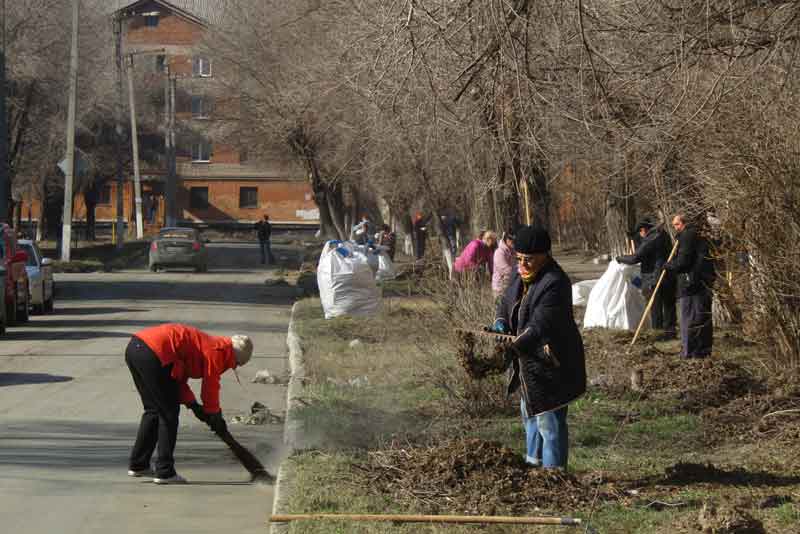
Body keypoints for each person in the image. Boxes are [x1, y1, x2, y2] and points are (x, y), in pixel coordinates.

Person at [490, 226, 586, 469]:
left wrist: (512, 346)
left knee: (549, 424)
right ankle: (533, 471)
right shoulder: (519, 274)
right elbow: (505, 303)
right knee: (530, 418)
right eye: (519, 258)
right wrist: (501, 322)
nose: (523, 264)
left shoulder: (555, 282)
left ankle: (555, 476)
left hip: (552, 364)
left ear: (545, 255)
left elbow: (541, 324)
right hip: (528, 364)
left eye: (529, 259)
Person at [125, 323, 253, 484]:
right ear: (235, 357)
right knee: (168, 414)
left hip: (136, 348)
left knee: (153, 410)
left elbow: (177, 378)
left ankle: (139, 464)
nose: (232, 368)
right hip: (154, 352)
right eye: (236, 365)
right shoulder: (218, 351)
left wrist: (193, 405)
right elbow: (210, 387)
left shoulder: (204, 345)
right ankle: (165, 472)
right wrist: (215, 416)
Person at [664, 213, 716, 358]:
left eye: (676, 224)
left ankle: (690, 352)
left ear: (683, 223)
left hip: (691, 284)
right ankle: (703, 351)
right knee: (703, 317)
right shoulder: (701, 235)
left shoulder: (687, 236)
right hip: (703, 282)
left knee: (689, 319)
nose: (675, 228)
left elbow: (683, 262)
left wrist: (668, 266)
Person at [616, 221, 677, 339]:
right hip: (668, 274)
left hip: (654, 276)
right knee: (669, 305)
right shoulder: (663, 234)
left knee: (655, 307)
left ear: (643, 230)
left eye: (640, 232)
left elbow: (635, 258)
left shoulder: (651, 238)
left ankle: (658, 333)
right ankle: (671, 332)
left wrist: (619, 258)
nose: (640, 236)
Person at [492, 228, 516, 298]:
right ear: (506, 239)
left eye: (514, 240)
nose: (513, 242)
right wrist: (519, 272)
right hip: (500, 289)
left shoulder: (513, 251)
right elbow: (506, 270)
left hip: (510, 286)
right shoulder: (499, 252)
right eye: (511, 240)